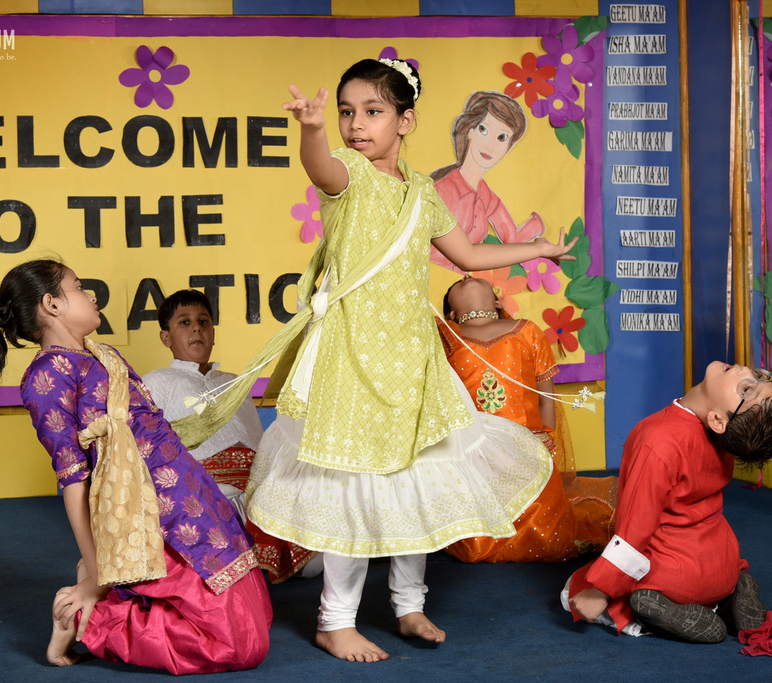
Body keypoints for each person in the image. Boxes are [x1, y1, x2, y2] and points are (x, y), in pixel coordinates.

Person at [170, 57, 578, 663]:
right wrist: (311, 128)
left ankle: (408, 605)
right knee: (352, 488)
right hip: (353, 362)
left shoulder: (422, 192)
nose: (356, 124)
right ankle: (336, 621)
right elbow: (323, 166)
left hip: (412, 363)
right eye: (346, 112)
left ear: (405, 120)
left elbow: (465, 250)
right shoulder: (350, 177)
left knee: (421, 478)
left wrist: (538, 247)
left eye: (373, 111)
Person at [0, 260, 272, 674]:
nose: (91, 295)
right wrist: (97, 574)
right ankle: (84, 618)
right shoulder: (46, 377)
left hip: (191, 494)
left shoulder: (103, 354)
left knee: (257, 622)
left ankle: (112, 599)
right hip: (148, 518)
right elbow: (74, 479)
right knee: (237, 646)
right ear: (51, 304)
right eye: (79, 287)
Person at [564, 362, 772, 643]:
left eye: (747, 389)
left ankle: (658, 605)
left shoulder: (657, 438)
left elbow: (636, 528)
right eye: (759, 376)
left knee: (573, 591)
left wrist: (599, 591)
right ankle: (729, 594)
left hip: (678, 577)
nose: (746, 371)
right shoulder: (724, 439)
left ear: (719, 422)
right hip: (725, 563)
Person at [144, 289, 320, 582]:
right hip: (206, 491)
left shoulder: (233, 382)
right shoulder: (157, 381)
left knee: (316, 560)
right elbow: (153, 450)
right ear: (166, 338)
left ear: (213, 333)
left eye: (204, 321)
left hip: (253, 487)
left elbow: (258, 444)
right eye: (184, 322)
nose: (197, 327)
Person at [437, 275, 616, 563]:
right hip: (474, 452)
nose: (467, 275)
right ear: (452, 314)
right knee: (475, 544)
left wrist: (547, 439)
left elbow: (547, 396)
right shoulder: (445, 337)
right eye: (457, 283)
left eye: (477, 278)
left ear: (497, 302)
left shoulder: (528, 331)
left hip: (527, 449)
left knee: (551, 538)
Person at [429, 91, 546, 272]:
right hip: (430, 281)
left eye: (502, 138)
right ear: (470, 131)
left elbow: (512, 241)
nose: (490, 145)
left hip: (461, 287)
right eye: (483, 130)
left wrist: (538, 226)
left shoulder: (486, 196)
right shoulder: (442, 189)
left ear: (508, 147)